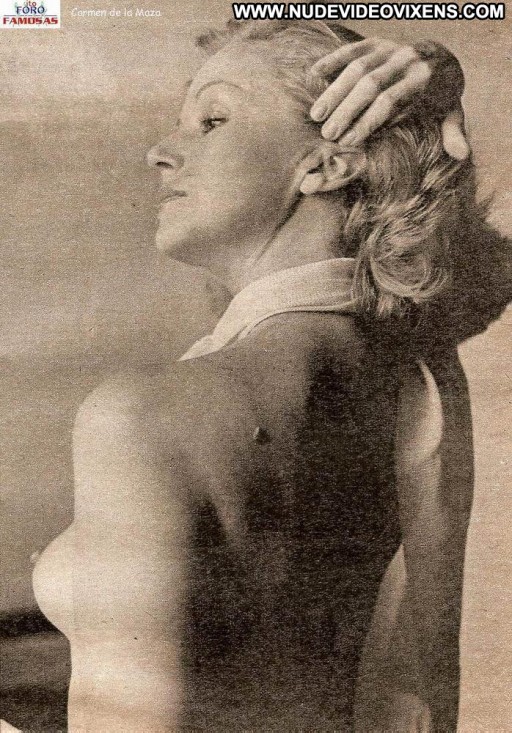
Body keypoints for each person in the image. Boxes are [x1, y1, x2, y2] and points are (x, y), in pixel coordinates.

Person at [31, 19, 509, 733]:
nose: (160, 150)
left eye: (212, 120)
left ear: (328, 164)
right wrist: (434, 83)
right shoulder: (425, 375)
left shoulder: (143, 417)